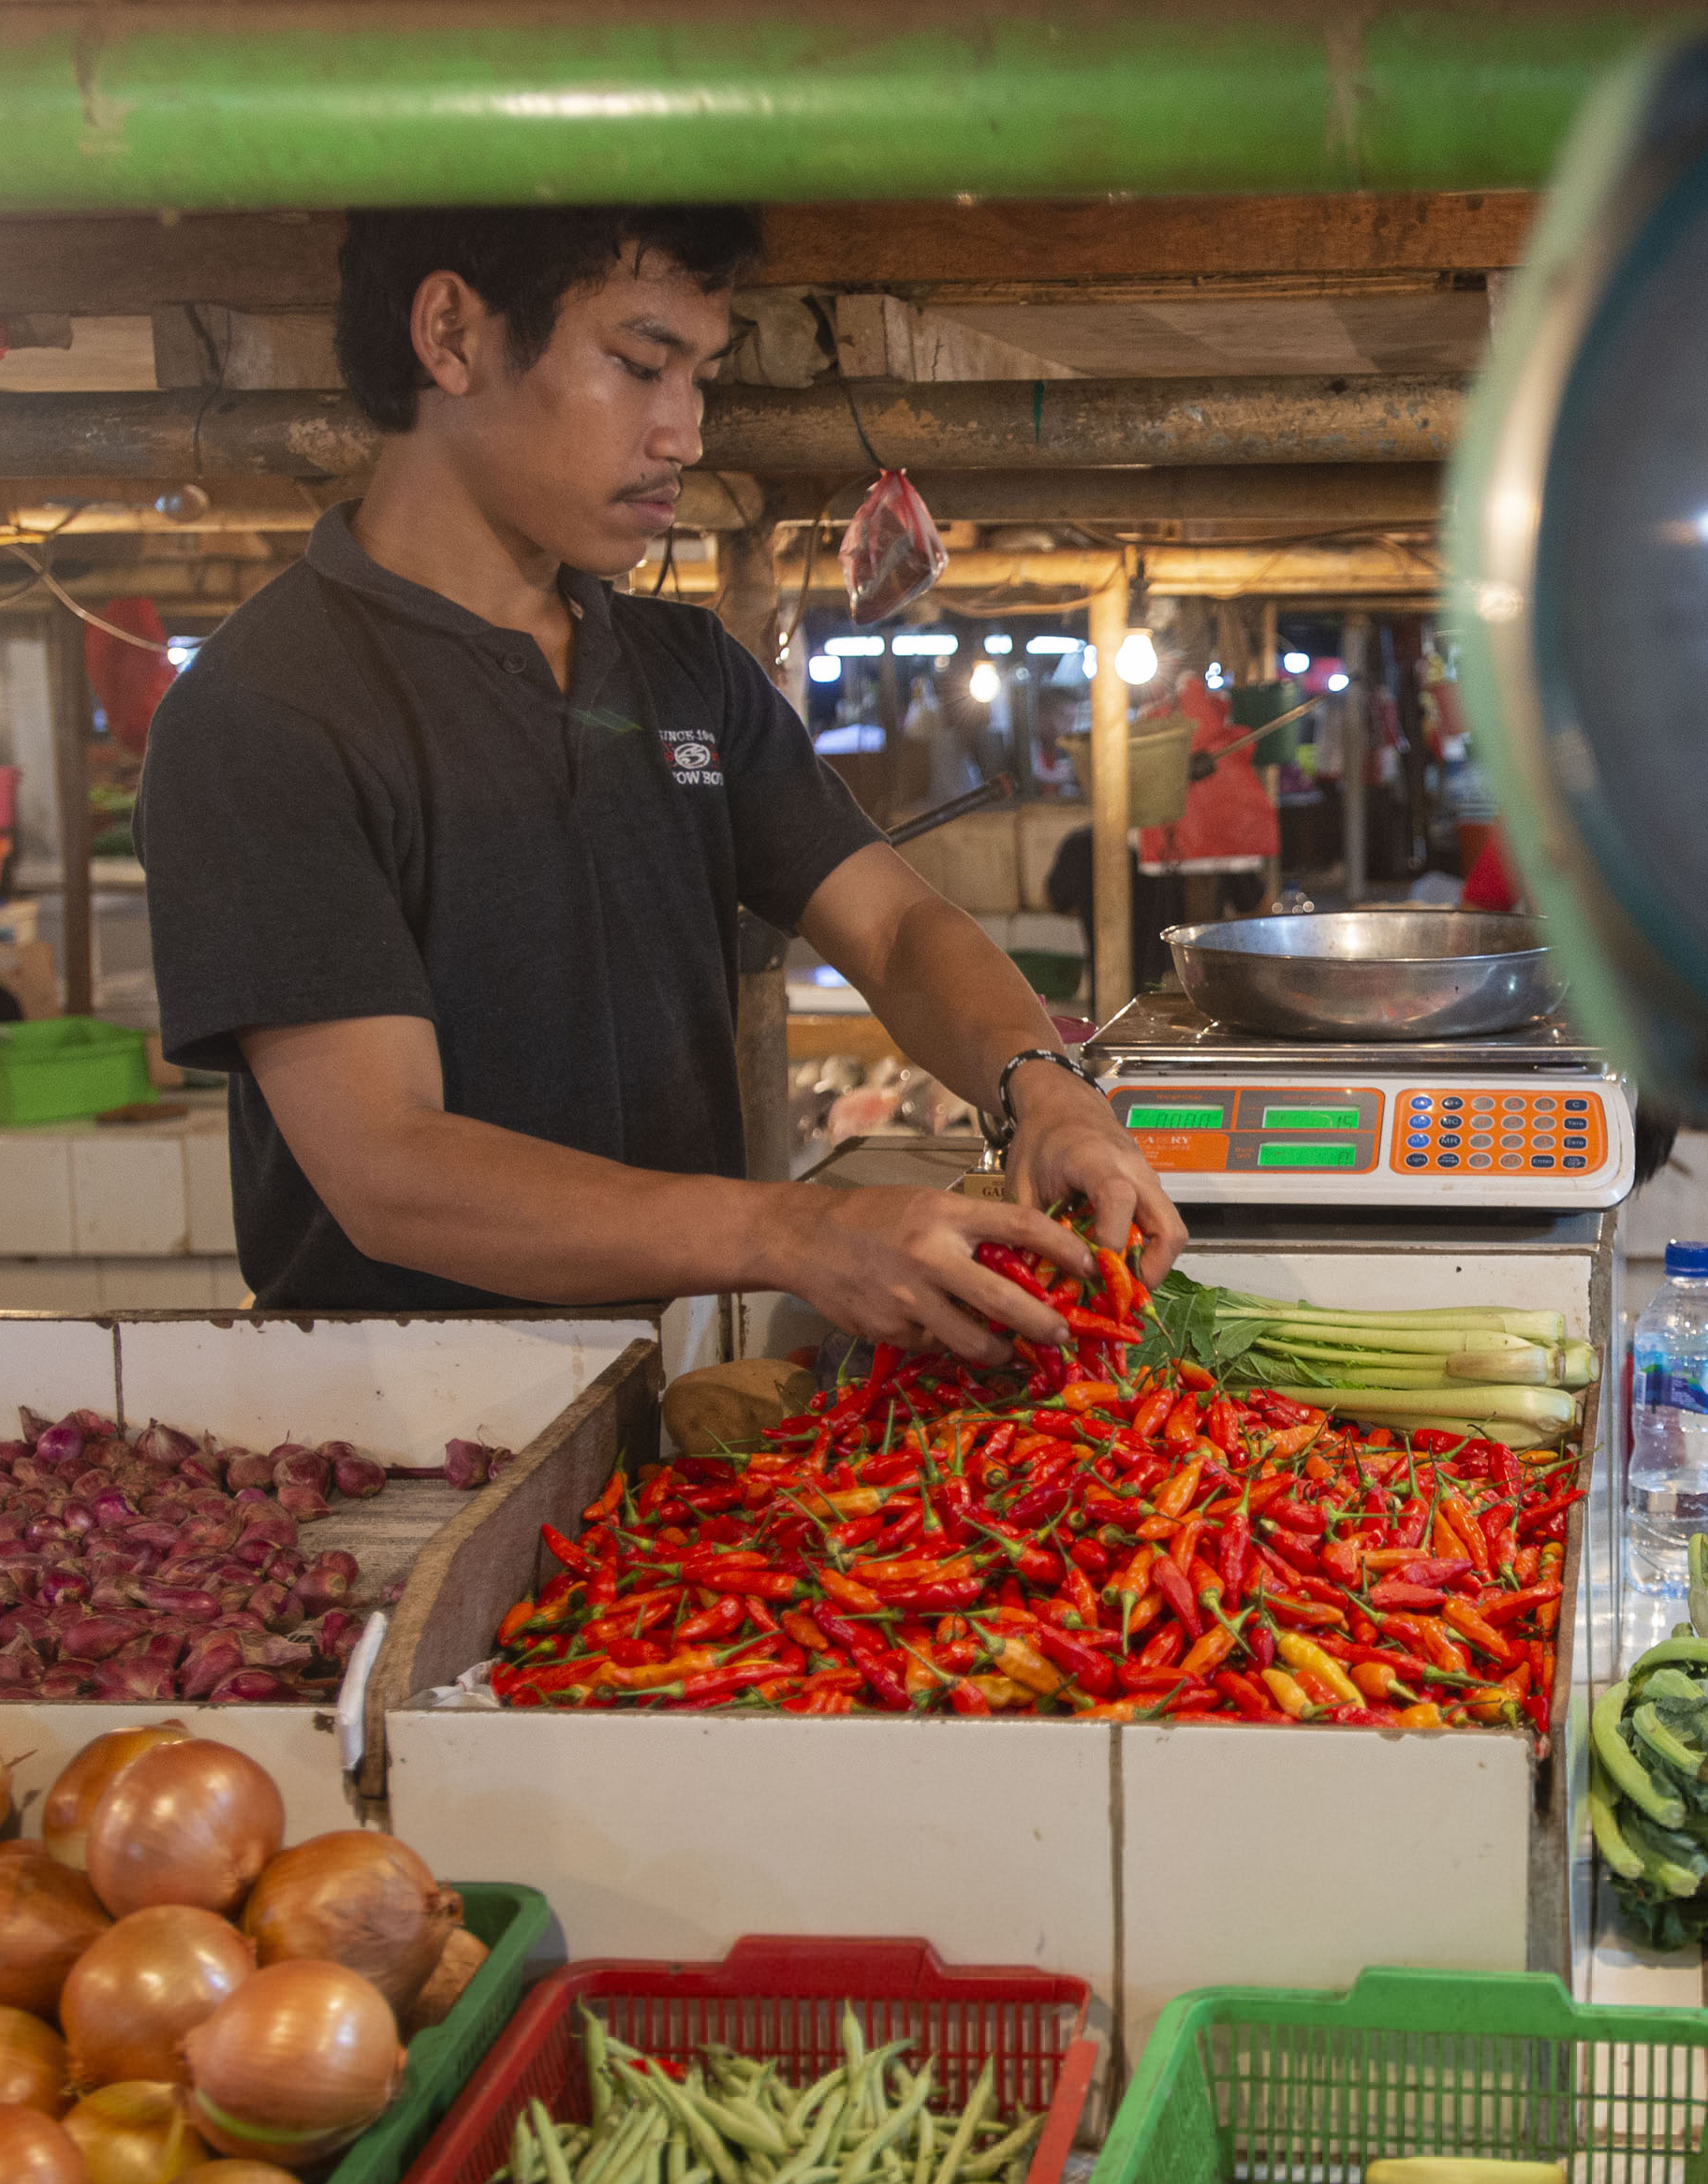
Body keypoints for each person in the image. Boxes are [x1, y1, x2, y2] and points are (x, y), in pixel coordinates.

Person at [139, 208, 1179, 1359]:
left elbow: (891, 929)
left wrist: (1041, 1081)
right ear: (450, 334)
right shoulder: (271, 709)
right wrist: (799, 1229)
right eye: (639, 366)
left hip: (678, 1378)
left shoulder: (685, 673)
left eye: (699, 375)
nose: (682, 432)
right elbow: (391, 1166)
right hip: (416, 1418)